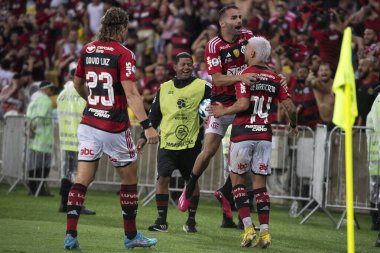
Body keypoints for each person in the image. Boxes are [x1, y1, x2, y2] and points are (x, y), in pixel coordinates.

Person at [63, 8, 159, 250]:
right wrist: (147, 126)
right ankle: (131, 236)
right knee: (129, 180)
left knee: (83, 179)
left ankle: (70, 235)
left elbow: (77, 83)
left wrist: (92, 102)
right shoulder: (123, 53)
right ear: (122, 27)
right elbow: (132, 94)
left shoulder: (88, 49)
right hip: (114, 127)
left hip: (89, 124)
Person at [211, 36, 298, 248]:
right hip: (264, 137)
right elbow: (291, 108)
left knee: (237, 183)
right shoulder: (276, 78)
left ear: (251, 54)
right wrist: (293, 125)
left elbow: (242, 105)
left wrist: (223, 111)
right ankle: (265, 233)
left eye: (246, 49)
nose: (243, 51)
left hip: (242, 135)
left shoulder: (245, 75)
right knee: (260, 187)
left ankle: (248, 228)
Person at [177, 4, 256, 215]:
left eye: (240, 17)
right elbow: (217, 78)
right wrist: (241, 76)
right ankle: (189, 187)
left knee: (244, 154)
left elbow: (258, 60)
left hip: (242, 104)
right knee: (209, 151)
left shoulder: (248, 36)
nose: (239, 21)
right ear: (223, 23)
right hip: (220, 104)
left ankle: (224, 191)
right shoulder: (214, 45)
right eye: (234, 18)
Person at [137, 52, 211, 233]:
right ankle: (161, 220)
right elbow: (154, 115)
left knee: (191, 182)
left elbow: (217, 102)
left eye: (189, 64)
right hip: (167, 142)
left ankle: (191, 221)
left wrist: (211, 113)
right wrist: (142, 137)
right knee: (163, 178)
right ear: (175, 67)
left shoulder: (203, 86)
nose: (186, 67)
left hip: (191, 143)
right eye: (183, 64)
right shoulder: (164, 88)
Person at [56, 62, 95, 215]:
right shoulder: (83, 92)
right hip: (80, 138)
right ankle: (75, 204)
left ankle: (63, 204)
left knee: (66, 172)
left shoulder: (62, 93)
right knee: (79, 175)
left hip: (65, 138)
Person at [26, 80, 56, 196]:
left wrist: (30, 128)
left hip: (34, 138)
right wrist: (34, 127)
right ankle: (40, 189)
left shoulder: (34, 99)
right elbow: (41, 116)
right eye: (51, 89)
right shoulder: (45, 100)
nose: (52, 91)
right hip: (44, 137)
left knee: (33, 164)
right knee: (44, 165)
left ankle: (32, 188)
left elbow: (29, 115)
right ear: (46, 89)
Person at [366, 86, 380, 247]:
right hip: (377, 155)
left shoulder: (375, 103)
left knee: (375, 191)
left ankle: (375, 221)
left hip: (375, 156)